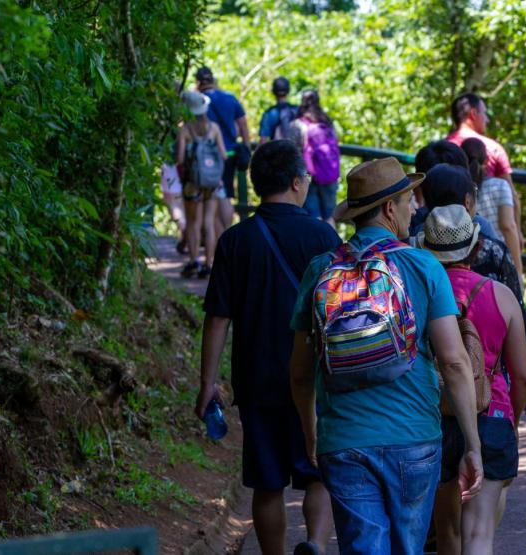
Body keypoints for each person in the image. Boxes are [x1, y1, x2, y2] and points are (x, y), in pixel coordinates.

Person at [288, 157, 483, 555]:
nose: (415, 209)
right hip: (413, 438)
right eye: (410, 200)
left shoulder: (321, 269)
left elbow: (301, 373)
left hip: (343, 439)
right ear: (390, 208)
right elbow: (455, 362)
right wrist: (472, 444)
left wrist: (312, 432)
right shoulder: (424, 265)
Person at [194, 140, 340, 555]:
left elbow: (218, 317)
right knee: (317, 473)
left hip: (257, 377)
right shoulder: (322, 235)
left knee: (267, 480)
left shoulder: (236, 240)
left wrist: (208, 383)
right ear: (297, 182)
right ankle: (314, 544)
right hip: (312, 376)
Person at [418, 205, 526, 555]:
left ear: (427, 249)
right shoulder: (501, 295)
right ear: (477, 246)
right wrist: (510, 417)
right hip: (492, 414)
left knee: (446, 530)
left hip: (433, 416)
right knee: (479, 533)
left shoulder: (418, 293)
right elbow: (523, 376)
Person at [413, 159, 526, 414]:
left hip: (429, 400)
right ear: (467, 202)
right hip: (490, 396)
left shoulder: (413, 254)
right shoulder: (493, 250)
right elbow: (520, 318)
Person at [446, 93, 522, 247]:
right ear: (473, 114)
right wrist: (518, 233)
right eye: (485, 113)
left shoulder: (443, 149)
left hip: (448, 238)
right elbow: (512, 196)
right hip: (488, 241)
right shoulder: (493, 149)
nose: (487, 119)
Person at [177, 91, 227, 278]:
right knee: (209, 221)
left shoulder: (185, 130)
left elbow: (180, 158)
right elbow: (223, 155)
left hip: (193, 183)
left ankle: (193, 262)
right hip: (213, 183)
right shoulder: (214, 128)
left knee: (193, 223)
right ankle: (209, 264)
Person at [196, 66, 251, 233]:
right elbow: (243, 124)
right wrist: (247, 148)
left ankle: (214, 235)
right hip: (230, 153)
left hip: (207, 156)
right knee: (226, 193)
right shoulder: (229, 98)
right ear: (213, 80)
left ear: (198, 82)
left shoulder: (199, 101)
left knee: (209, 195)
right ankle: (226, 230)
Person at [461, 137, 523, 281]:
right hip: (496, 259)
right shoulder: (500, 186)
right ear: (487, 161)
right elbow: (508, 226)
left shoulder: (460, 188)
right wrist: (518, 271)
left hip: (466, 258)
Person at [295, 90, 341, 227]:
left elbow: (296, 146)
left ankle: (317, 247)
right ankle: (332, 246)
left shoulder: (300, 123)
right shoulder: (327, 121)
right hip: (328, 172)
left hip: (308, 174)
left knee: (313, 215)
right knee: (329, 216)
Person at [259, 76, 300, 144]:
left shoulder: (269, 114)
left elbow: (263, 140)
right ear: (288, 91)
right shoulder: (297, 110)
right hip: (296, 152)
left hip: (277, 152)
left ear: (273, 92)